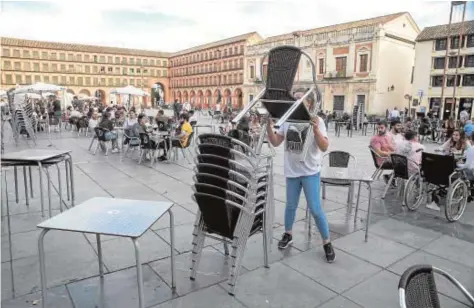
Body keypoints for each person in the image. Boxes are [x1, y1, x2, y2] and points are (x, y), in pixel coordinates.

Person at [266, 92, 335, 263]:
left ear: (309, 103)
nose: (296, 102)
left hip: (310, 171)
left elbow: (324, 146)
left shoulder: (317, 120)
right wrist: (268, 125)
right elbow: (275, 142)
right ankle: (288, 234)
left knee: (315, 208)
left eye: (300, 100)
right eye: (295, 100)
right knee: (290, 206)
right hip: (292, 171)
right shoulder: (287, 119)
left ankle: (327, 242)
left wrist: (316, 130)